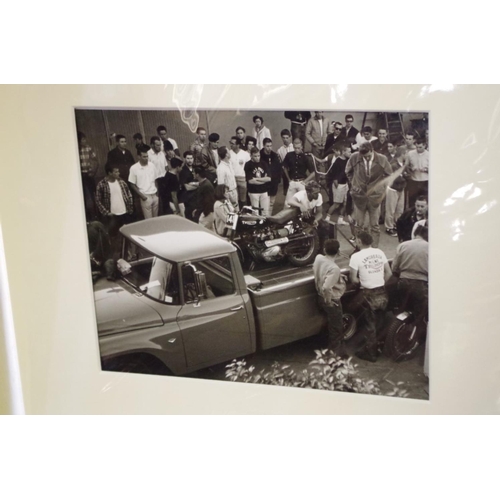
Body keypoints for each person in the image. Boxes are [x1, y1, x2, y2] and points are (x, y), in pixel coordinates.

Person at [349, 231, 392, 362]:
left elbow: (353, 279)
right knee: (381, 321)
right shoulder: (379, 252)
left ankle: (371, 353)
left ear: (360, 241)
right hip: (382, 292)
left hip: (368, 294)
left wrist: (364, 282)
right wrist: (380, 282)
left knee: (370, 325)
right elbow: (389, 273)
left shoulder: (355, 256)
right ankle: (381, 348)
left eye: (356, 240)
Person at [345, 141, 392, 248]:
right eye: (363, 156)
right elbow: (348, 171)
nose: (365, 158)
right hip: (359, 197)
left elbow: (389, 175)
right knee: (359, 225)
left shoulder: (382, 159)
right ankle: (359, 249)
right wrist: (354, 184)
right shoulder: (354, 157)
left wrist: (380, 188)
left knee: (375, 226)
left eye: (368, 156)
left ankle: (374, 249)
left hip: (375, 198)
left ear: (372, 150)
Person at [313, 239, 347, 356]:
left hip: (319, 297)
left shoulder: (318, 258)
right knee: (336, 329)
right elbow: (327, 287)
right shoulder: (334, 268)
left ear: (324, 250)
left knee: (328, 324)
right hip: (331, 300)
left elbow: (323, 272)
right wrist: (329, 302)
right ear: (338, 252)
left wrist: (338, 276)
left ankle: (327, 350)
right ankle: (335, 357)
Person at [391, 224, 428, 322]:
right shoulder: (430, 248)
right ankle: (417, 332)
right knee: (420, 313)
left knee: (403, 308)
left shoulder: (403, 245)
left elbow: (394, 267)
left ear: (415, 234)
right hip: (421, 284)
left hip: (403, 282)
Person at [95, 164, 134, 255]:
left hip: (124, 212)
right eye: (116, 172)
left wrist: (130, 207)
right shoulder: (102, 184)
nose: (118, 173)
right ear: (109, 173)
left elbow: (129, 194)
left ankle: (127, 253)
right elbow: (97, 200)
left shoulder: (121, 182)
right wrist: (106, 212)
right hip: (112, 215)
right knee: (113, 236)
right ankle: (115, 255)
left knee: (127, 235)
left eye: (118, 171)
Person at [128, 145, 163, 219]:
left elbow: (156, 179)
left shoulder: (152, 165)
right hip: (145, 196)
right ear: (139, 157)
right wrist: (142, 196)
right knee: (148, 219)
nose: (146, 158)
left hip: (154, 194)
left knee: (156, 218)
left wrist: (157, 192)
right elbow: (132, 184)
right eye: (144, 157)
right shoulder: (134, 168)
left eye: (147, 156)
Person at [324, 142, 351, 225]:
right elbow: (334, 177)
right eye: (349, 152)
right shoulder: (337, 162)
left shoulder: (347, 160)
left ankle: (340, 219)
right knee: (336, 204)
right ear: (343, 152)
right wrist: (338, 187)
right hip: (339, 185)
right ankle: (327, 218)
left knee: (345, 203)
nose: (351, 153)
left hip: (345, 184)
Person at [282, 139, 316, 205]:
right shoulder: (289, 155)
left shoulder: (305, 158)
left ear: (302, 147)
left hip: (302, 182)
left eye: (298, 148)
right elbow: (284, 167)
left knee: (304, 202)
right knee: (287, 203)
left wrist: (305, 181)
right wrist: (289, 179)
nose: (296, 150)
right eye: (295, 148)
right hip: (292, 182)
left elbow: (313, 173)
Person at [384, 145, 407, 236]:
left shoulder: (404, 164)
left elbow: (408, 174)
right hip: (393, 189)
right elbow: (393, 178)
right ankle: (389, 227)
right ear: (403, 154)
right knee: (391, 209)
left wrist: (403, 176)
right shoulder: (393, 164)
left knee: (399, 209)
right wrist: (403, 176)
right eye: (406, 154)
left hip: (401, 188)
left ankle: (396, 225)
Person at [78, 131, 98, 220]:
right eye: (82, 139)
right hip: (80, 176)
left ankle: (95, 216)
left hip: (89, 175)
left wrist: (93, 171)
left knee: (92, 195)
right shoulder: (75, 149)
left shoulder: (88, 148)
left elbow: (96, 161)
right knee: (85, 196)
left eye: (85, 139)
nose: (85, 141)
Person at [244, 147, 271, 215]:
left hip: (264, 191)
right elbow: (250, 181)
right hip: (253, 192)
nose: (257, 158)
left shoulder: (264, 163)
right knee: (255, 212)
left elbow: (269, 178)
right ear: (251, 156)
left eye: (258, 155)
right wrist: (263, 180)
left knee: (265, 211)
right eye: (255, 156)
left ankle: (265, 224)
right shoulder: (248, 165)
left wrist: (256, 179)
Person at [405, 137, 429, 208]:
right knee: (412, 202)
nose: (418, 149)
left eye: (420, 147)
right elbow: (406, 166)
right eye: (417, 147)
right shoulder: (410, 154)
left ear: (425, 145)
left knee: (425, 201)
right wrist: (410, 169)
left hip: (425, 181)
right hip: (413, 181)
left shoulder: (429, 155)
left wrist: (425, 170)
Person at [260, 138, 282, 215]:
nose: (269, 148)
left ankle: (269, 217)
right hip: (263, 184)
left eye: (270, 146)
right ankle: (263, 217)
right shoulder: (259, 155)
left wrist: (277, 181)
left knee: (271, 202)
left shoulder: (275, 156)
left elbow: (278, 168)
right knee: (263, 202)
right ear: (263, 146)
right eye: (267, 146)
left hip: (273, 183)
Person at [229, 136, 251, 208]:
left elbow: (249, 168)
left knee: (243, 200)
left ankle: (244, 214)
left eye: (232, 143)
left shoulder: (245, 154)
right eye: (230, 143)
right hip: (232, 179)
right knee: (234, 199)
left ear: (238, 145)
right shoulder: (228, 154)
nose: (231, 145)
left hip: (243, 179)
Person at [178, 151, 199, 221]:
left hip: (196, 198)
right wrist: (197, 184)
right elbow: (187, 187)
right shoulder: (183, 171)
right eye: (188, 158)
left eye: (191, 158)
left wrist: (191, 184)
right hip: (188, 200)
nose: (190, 160)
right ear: (184, 159)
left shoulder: (196, 169)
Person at [277, 129, 294, 195]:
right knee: (287, 191)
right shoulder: (280, 150)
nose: (285, 139)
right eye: (283, 138)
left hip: (294, 170)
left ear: (290, 137)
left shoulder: (294, 147)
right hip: (286, 172)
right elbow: (280, 162)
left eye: (287, 138)